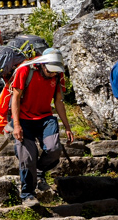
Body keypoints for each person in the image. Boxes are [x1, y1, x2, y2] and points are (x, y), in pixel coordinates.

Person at [10, 48, 75, 206]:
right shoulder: (25, 71)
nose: (53, 74)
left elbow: (58, 102)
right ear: (42, 64)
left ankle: (38, 171)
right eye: (51, 71)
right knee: (27, 158)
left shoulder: (58, 76)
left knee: (54, 149)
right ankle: (27, 194)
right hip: (24, 119)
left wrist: (67, 127)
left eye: (55, 72)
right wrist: (16, 125)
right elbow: (16, 98)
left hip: (45, 118)